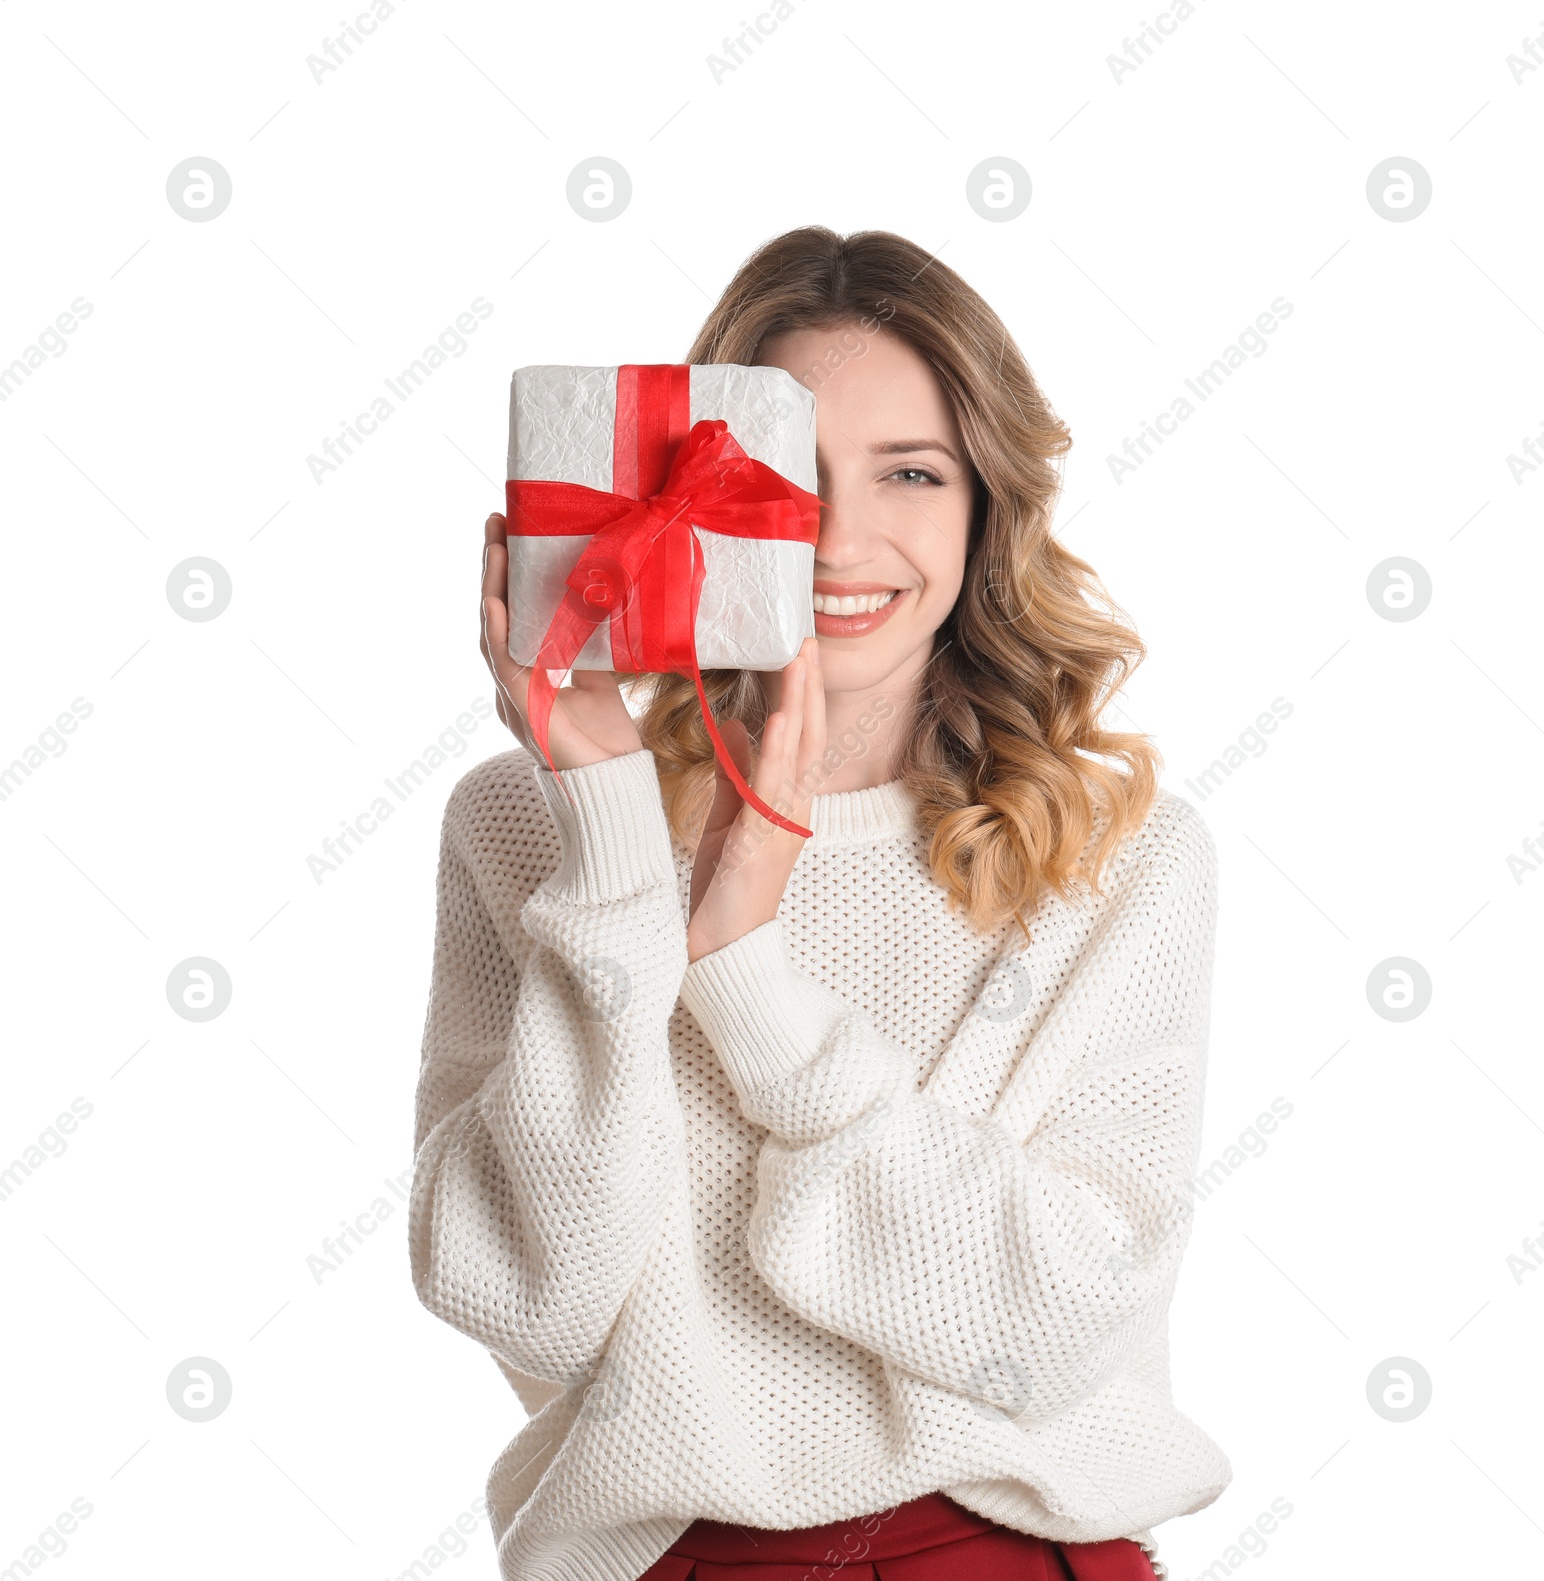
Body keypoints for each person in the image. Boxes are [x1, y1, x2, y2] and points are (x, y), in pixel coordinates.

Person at [409, 226, 1231, 1581]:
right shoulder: (528, 823)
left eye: (911, 472)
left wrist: (747, 973)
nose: (841, 536)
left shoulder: (1116, 853)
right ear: (693, 492)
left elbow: (1059, 1316)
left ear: (985, 507)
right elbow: (522, 1292)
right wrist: (617, 845)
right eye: (785, 477)